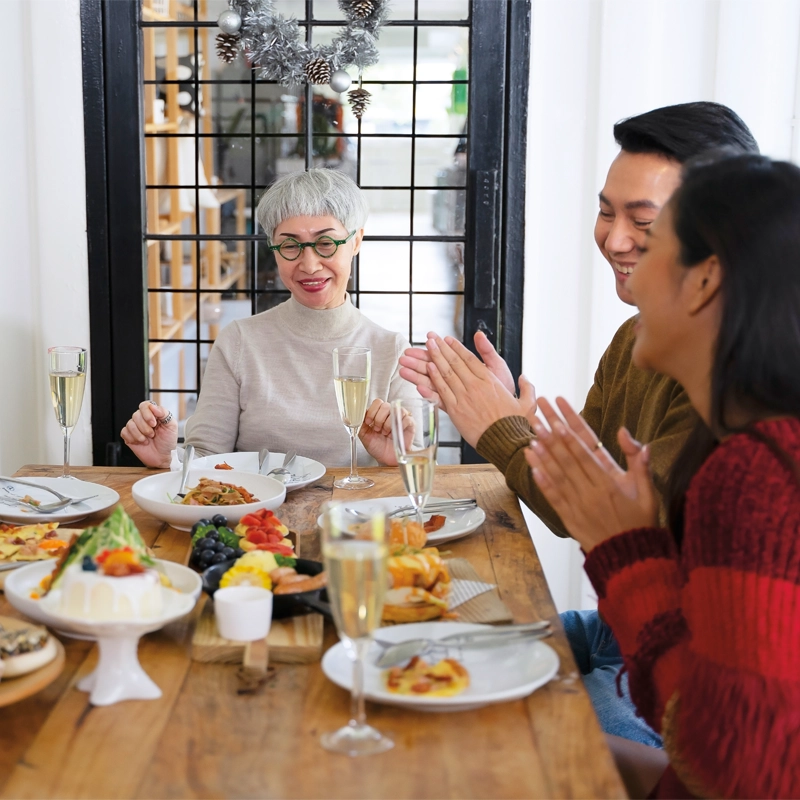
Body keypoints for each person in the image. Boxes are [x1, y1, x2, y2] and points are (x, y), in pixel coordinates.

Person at [399, 102, 759, 747]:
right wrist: (517, 429)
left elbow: (636, 533)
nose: (614, 239)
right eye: (606, 211)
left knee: (520, 748)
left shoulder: (740, 392)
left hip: (683, 658)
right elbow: (586, 510)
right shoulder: (637, 338)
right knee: (410, 650)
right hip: (616, 624)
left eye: (642, 220)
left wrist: (505, 431)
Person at [525, 153, 800, 798]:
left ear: (704, 280)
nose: (629, 274)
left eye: (652, 250)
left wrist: (627, 553)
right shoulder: (749, 448)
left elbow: (735, 765)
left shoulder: (759, 476)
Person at [121, 168, 418, 468]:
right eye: (290, 245)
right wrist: (167, 460)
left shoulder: (392, 351)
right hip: (257, 513)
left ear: (355, 242)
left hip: (354, 515)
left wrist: (397, 462)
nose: (310, 265)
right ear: (274, 250)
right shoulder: (239, 341)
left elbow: (418, 470)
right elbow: (207, 458)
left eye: (326, 243)